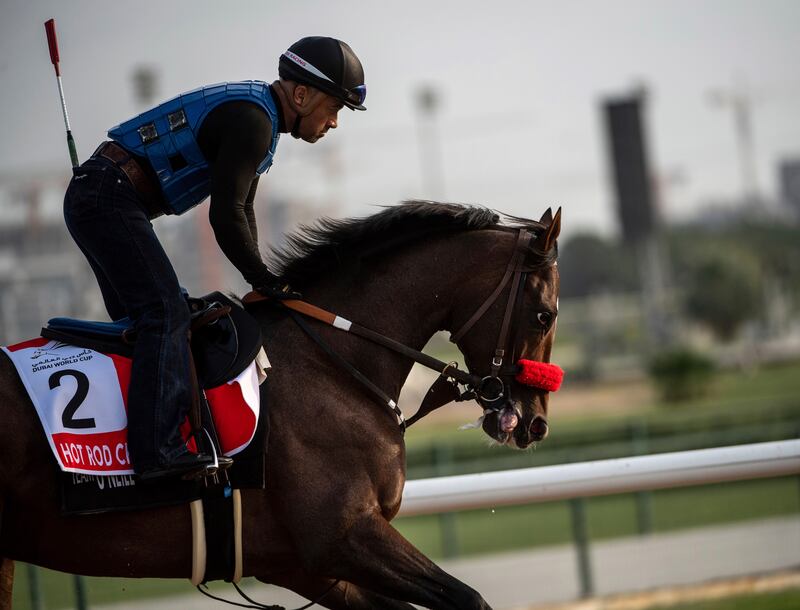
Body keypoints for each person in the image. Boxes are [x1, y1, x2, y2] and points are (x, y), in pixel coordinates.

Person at [62, 36, 367, 481]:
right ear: (301, 95)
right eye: (334, 108)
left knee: (151, 318)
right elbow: (223, 216)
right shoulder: (253, 121)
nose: (335, 123)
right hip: (107, 196)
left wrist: (266, 279)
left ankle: (126, 441)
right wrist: (264, 280)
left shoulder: (259, 119)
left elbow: (241, 211)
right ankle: (157, 454)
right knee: (163, 313)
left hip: (105, 196)